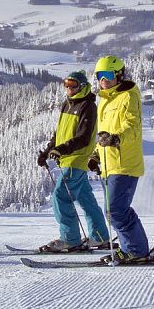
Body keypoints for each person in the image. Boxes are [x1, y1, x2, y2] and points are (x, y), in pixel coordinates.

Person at [37, 71, 110, 251]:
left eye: (73, 84)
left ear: (82, 86)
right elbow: (59, 133)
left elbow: (84, 137)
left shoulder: (87, 106)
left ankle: (70, 239)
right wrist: (47, 152)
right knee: (86, 199)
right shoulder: (68, 104)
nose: (69, 88)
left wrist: (61, 150)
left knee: (60, 197)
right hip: (68, 159)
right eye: (66, 84)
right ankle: (99, 236)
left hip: (75, 159)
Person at [88, 55, 150, 261]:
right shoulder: (106, 99)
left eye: (107, 75)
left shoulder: (128, 97)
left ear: (119, 75)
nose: (103, 80)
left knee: (115, 211)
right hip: (109, 164)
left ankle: (136, 250)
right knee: (115, 211)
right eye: (99, 75)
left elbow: (132, 126)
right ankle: (133, 248)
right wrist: (97, 155)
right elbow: (105, 133)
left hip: (125, 163)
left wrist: (116, 139)